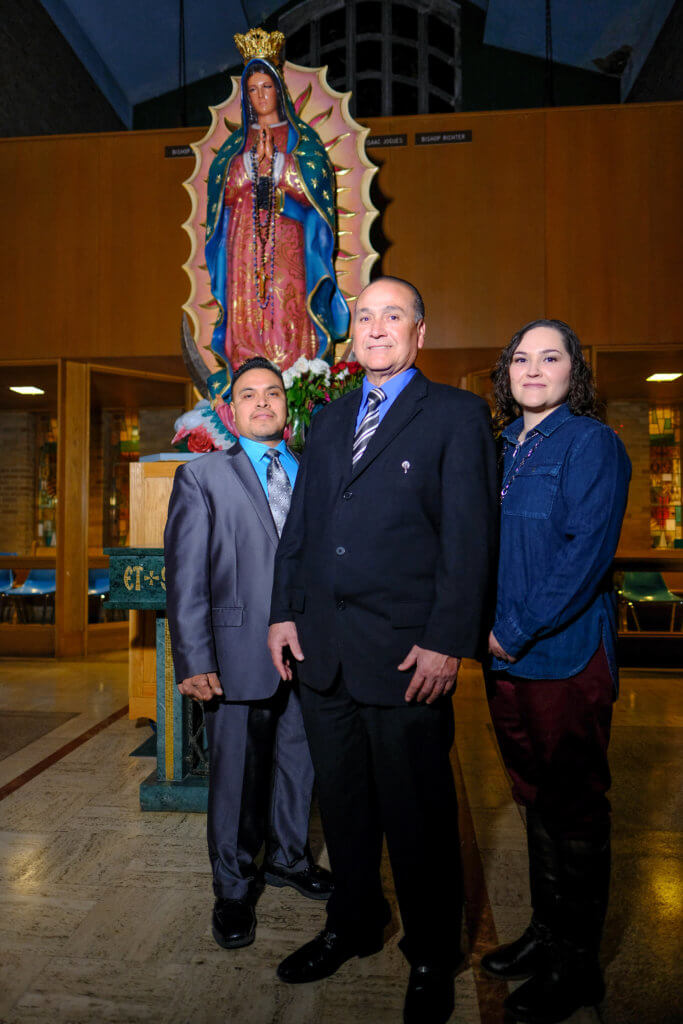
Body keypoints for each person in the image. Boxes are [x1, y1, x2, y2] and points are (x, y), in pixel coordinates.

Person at [268, 277, 498, 1024]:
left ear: (419, 332)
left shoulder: (458, 417)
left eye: (390, 316)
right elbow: (299, 530)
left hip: (407, 660)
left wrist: (445, 642)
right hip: (323, 653)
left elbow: (469, 540)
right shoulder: (329, 420)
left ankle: (432, 952)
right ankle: (353, 921)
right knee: (343, 809)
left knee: (418, 817)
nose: (373, 329)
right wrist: (281, 615)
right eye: (362, 317)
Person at [481, 320, 631, 1024]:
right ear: (505, 372)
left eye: (550, 358)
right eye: (521, 358)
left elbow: (583, 557)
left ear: (576, 372)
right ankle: (545, 936)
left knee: (573, 806)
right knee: (532, 796)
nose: (532, 370)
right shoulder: (499, 447)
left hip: (562, 656)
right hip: (502, 659)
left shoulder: (590, 444)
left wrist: (510, 630)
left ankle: (578, 967)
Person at [164, 356, 333, 951]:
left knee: (299, 760)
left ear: (287, 407)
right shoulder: (203, 476)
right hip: (235, 651)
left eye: (273, 394)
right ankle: (233, 888)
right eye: (249, 396)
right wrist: (194, 659)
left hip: (309, 651)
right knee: (236, 776)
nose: (263, 403)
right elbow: (184, 579)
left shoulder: (313, 470)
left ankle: (288, 857)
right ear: (230, 411)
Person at [204, 46, 349, 399]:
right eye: (252, 90)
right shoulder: (236, 146)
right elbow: (221, 191)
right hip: (243, 241)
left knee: (288, 300)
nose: (259, 96)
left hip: (289, 235)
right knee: (248, 304)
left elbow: (317, 187)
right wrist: (251, 168)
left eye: (266, 87)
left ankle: (292, 377)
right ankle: (246, 377)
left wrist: (280, 166)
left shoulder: (304, 141)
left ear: (279, 90)